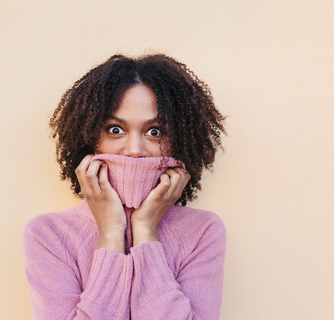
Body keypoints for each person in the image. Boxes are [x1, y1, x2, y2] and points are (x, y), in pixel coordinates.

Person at [22, 53, 227, 319]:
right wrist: (110, 233)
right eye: (115, 129)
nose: (134, 151)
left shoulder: (202, 232)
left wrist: (145, 232)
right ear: (88, 138)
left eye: (155, 131)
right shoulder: (48, 235)